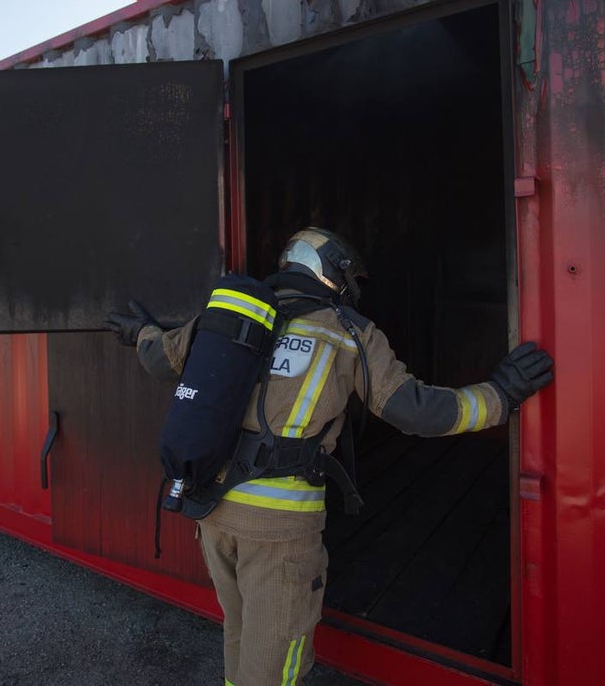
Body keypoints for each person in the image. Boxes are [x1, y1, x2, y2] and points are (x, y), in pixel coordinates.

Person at [107, 227, 554, 686]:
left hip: (211, 511)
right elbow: (416, 412)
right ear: (335, 275)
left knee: (240, 632)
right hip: (278, 530)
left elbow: (160, 358)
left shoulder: (226, 315)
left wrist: (138, 331)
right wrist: (500, 395)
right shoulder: (348, 332)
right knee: (277, 665)